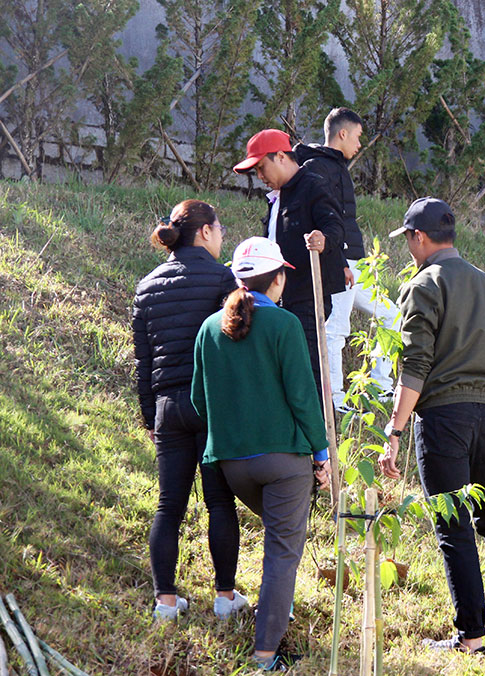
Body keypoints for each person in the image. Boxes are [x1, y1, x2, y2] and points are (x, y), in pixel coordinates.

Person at [377, 198, 485, 653]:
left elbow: (416, 365)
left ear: (418, 237)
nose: (409, 248)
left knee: (453, 526)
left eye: (408, 240)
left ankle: (471, 637)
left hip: (444, 417)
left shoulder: (424, 284)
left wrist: (395, 431)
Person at [191, 237, 332, 673]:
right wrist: (322, 453)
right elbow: (304, 398)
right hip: (284, 461)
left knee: (277, 540)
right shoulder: (285, 325)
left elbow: (199, 400)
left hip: (232, 464)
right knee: (282, 551)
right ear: (278, 279)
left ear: (237, 278)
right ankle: (265, 654)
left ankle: (276, 609)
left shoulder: (209, 328)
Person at [131, 199, 244, 621]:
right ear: (204, 233)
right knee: (219, 502)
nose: (222, 236)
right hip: (210, 404)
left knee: (168, 506)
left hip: (167, 407)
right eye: (219, 229)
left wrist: (150, 417)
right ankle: (225, 596)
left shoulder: (147, 286)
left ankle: (165, 601)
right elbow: (236, 343)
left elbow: (144, 363)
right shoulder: (223, 279)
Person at [294, 107, 400, 411]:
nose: (359, 144)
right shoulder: (318, 167)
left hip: (357, 264)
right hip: (341, 262)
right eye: (357, 136)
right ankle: (335, 400)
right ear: (342, 133)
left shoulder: (335, 166)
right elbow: (323, 219)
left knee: (392, 317)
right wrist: (337, 261)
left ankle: (381, 388)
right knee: (336, 328)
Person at [233, 128, 348, 394]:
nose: (260, 177)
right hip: (274, 299)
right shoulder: (277, 195)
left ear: (282, 156)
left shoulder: (313, 184)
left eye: (262, 168)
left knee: (307, 373)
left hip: (306, 298)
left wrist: (324, 240)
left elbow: (335, 226)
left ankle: (320, 432)